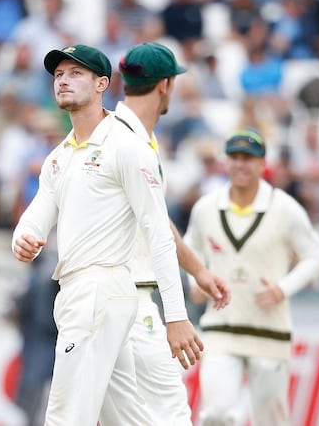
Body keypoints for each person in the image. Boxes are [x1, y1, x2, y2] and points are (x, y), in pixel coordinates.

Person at [12, 43, 202, 425]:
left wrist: (177, 316)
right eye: (59, 75)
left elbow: (157, 231)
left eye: (76, 73)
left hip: (101, 289)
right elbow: (39, 212)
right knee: (130, 419)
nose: (63, 80)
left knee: (65, 415)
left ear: (102, 84)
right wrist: (24, 235)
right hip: (82, 292)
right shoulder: (60, 156)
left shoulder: (126, 146)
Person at [109, 42, 232, 425]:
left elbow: (158, 221)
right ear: (165, 85)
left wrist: (199, 271)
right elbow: (158, 231)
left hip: (102, 305)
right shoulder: (130, 144)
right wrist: (177, 316)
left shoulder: (120, 134)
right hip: (133, 305)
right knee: (173, 418)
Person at [185, 128, 319, 426]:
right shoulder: (206, 207)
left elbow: (316, 256)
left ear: (262, 163)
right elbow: (190, 249)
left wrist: (283, 288)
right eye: (234, 157)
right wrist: (196, 282)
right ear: (225, 162)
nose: (240, 164)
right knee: (216, 414)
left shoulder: (285, 209)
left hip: (269, 332)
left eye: (248, 158)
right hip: (220, 329)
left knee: (271, 420)